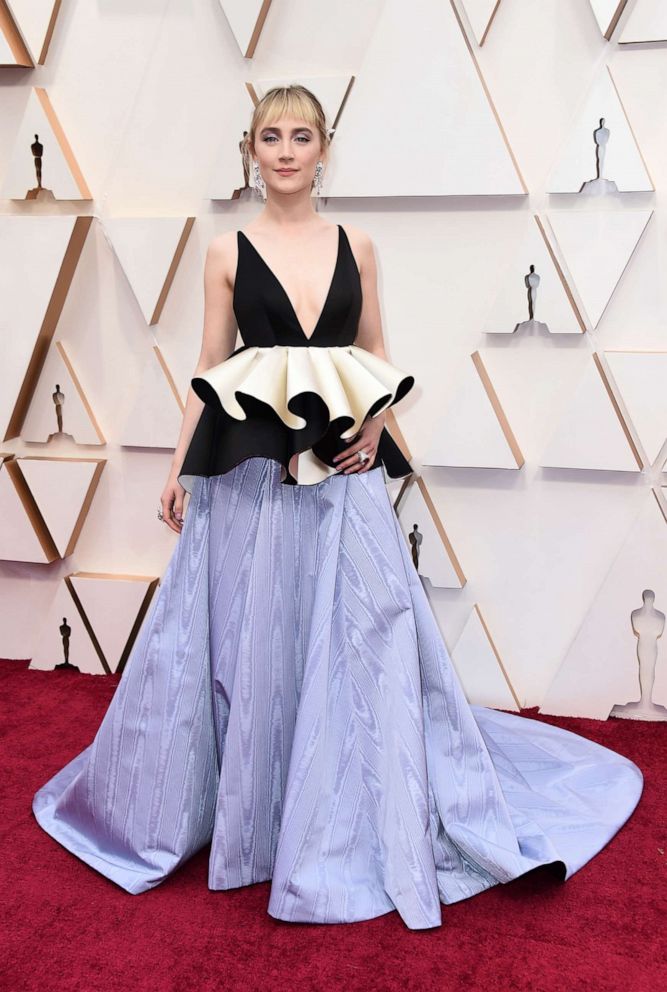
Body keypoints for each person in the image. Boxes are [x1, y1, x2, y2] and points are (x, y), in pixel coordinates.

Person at [32, 85, 644, 930]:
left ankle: (343, 808)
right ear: (251, 149)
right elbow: (208, 366)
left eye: (301, 136)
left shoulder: (357, 244)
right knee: (255, 636)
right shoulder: (223, 249)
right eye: (270, 137)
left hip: (345, 466)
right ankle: (253, 809)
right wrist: (178, 469)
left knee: (360, 631)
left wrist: (378, 429)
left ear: (325, 148)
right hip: (251, 476)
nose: (285, 151)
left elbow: (375, 353)